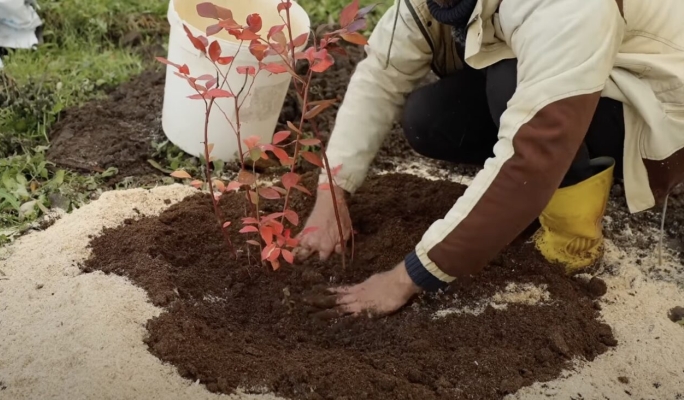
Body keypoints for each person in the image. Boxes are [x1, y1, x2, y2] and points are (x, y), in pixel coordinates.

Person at [293, 0, 684, 315]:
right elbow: (380, 75)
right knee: (431, 117)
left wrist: (404, 279)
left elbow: (532, 152)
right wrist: (333, 192)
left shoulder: (564, 7)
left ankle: (573, 241)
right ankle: (518, 199)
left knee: (508, 86)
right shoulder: (439, 5)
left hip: (654, 107)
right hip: (573, 81)